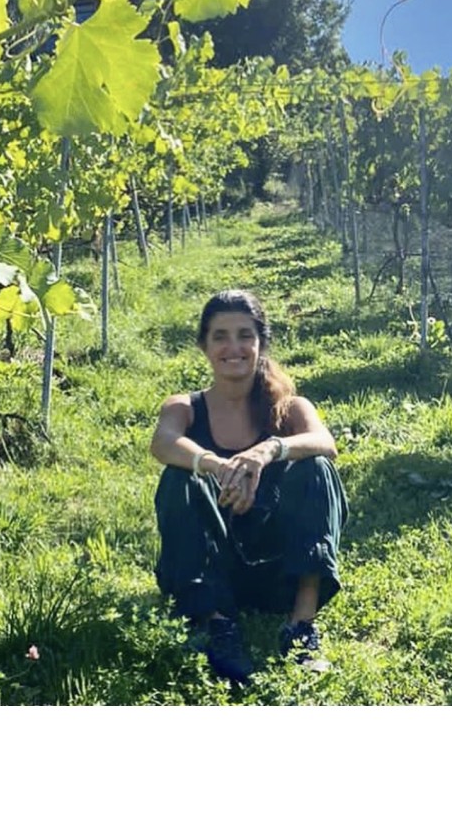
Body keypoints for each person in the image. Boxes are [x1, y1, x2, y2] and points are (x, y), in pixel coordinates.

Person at [150, 288, 348, 684]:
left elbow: (325, 442)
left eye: (245, 335)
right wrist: (217, 465)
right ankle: (218, 625)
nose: (233, 347)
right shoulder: (185, 407)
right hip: (213, 571)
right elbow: (163, 443)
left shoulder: (290, 409)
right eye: (220, 336)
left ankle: (301, 626)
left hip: (280, 575)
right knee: (178, 476)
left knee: (318, 469)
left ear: (261, 343)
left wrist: (266, 451)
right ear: (203, 345)